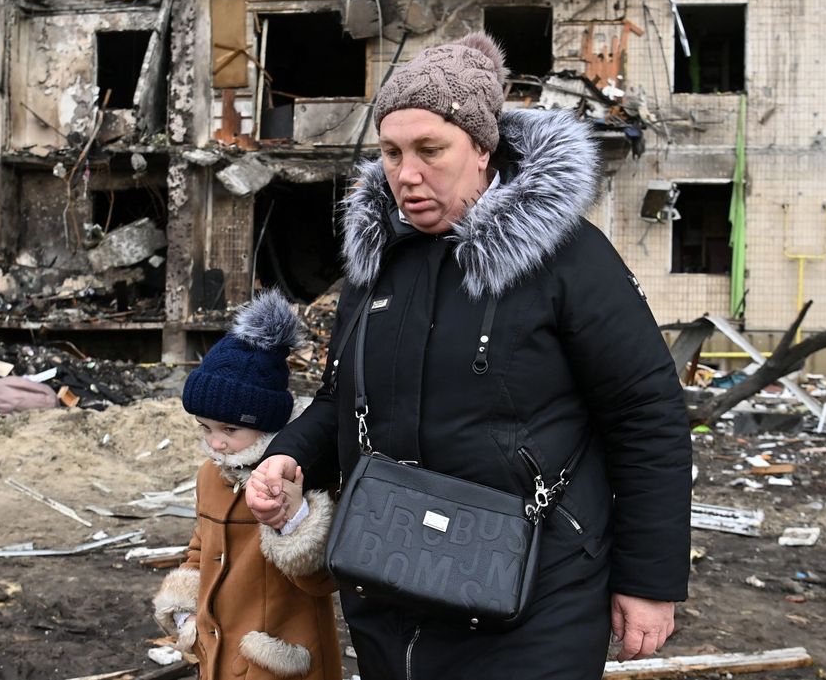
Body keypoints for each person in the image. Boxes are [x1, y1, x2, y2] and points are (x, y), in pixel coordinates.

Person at [248, 33, 692, 680]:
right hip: (392, 575)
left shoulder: (568, 256)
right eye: (392, 152)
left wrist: (649, 580)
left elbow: (647, 415)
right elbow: (344, 398)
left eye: (431, 150)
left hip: (540, 590)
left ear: (483, 148)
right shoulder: (377, 266)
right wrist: (288, 454)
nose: (406, 173)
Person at [152, 289, 342, 680]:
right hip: (217, 654)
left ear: (268, 422)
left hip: (278, 662)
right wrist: (188, 609)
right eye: (205, 427)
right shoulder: (211, 474)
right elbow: (200, 545)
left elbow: (323, 580)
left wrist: (292, 523)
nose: (216, 442)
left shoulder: (300, 476)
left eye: (230, 429)